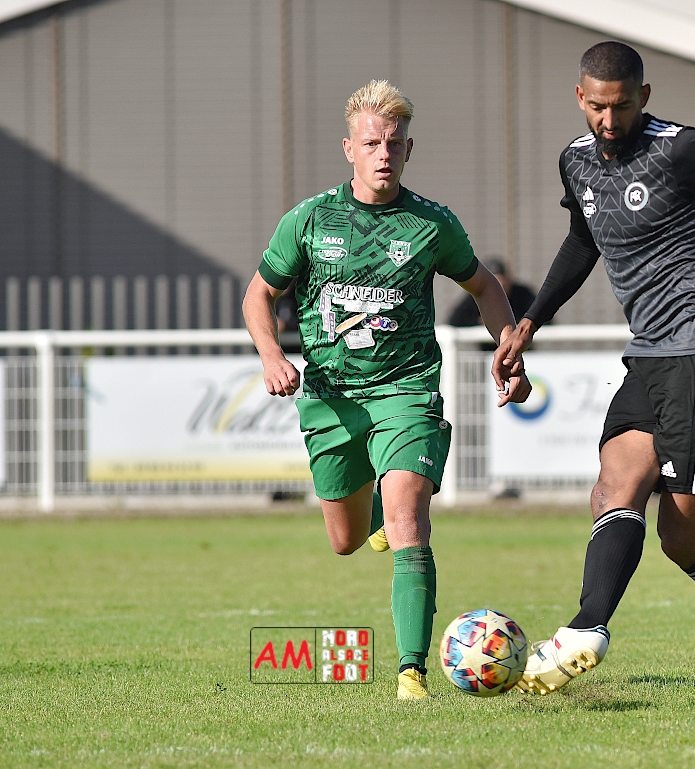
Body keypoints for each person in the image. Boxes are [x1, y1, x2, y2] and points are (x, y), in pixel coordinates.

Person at [493, 42, 695, 701]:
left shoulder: (682, 150)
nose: (608, 121)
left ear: (644, 96)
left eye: (621, 106)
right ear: (579, 97)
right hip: (650, 354)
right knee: (613, 486)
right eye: (596, 107)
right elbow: (584, 238)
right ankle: (586, 628)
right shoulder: (576, 160)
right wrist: (529, 322)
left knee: (680, 534)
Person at [242, 80, 530, 700]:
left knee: (409, 520)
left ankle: (411, 672)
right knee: (345, 540)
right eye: (371, 143)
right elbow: (259, 294)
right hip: (331, 396)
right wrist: (271, 355)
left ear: (408, 150)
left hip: (407, 389)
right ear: (349, 148)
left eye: (394, 144)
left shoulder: (431, 224)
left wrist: (508, 348)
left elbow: (483, 285)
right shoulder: (310, 220)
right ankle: (369, 514)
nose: (383, 154)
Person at [448, 258, 536, 328]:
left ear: (508, 281)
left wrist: (511, 322)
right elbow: (455, 321)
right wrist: (480, 322)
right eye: (493, 284)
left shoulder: (522, 294)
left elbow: (538, 317)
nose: (497, 289)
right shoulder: (476, 295)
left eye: (501, 284)